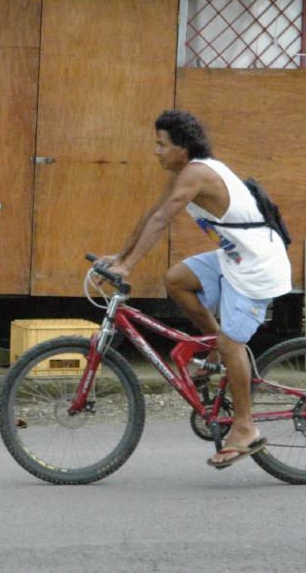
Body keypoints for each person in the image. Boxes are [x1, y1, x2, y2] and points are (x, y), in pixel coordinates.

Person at [97, 109, 292, 469]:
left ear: (182, 148)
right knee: (177, 281)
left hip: (258, 265)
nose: (156, 151)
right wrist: (119, 257)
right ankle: (217, 347)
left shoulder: (197, 173)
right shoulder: (183, 173)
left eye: (162, 144)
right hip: (234, 258)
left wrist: (129, 266)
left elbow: (162, 220)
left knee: (234, 344)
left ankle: (245, 427)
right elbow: (150, 214)